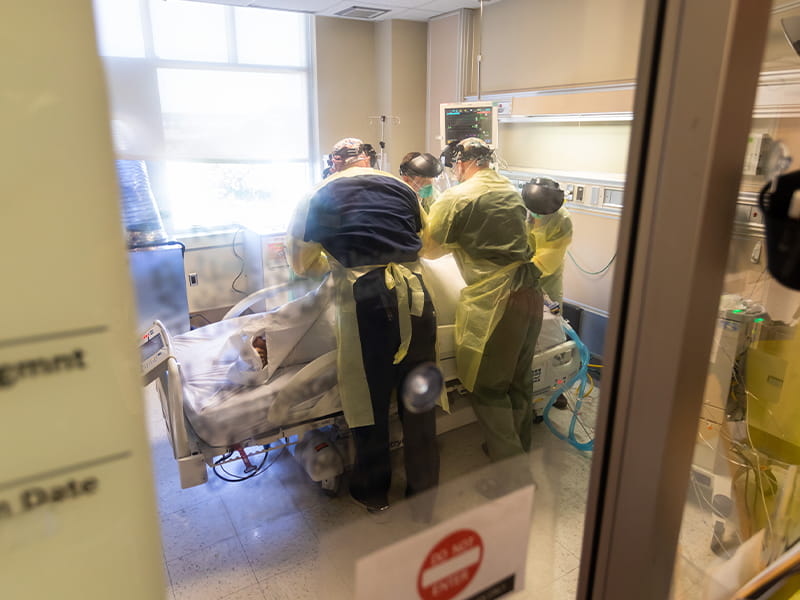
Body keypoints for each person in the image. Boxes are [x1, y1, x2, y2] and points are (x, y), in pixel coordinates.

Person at [287, 137, 442, 513]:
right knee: (420, 399)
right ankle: (423, 496)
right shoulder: (404, 190)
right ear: (371, 160)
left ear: (336, 163)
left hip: (366, 302)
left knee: (368, 402)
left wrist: (338, 265)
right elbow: (424, 243)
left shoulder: (317, 195)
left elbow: (300, 264)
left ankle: (374, 494)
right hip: (418, 299)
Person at [422, 137, 543, 461]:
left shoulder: (456, 197)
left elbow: (430, 249)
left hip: (498, 302)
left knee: (488, 387)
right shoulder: (510, 190)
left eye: (454, 166)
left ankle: (512, 473)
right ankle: (519, 448)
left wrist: (424, 207)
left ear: (460, 163)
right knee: (518, 380)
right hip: (531, 293)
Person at [521, 177, 573, 306]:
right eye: (532, 211)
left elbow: (545, 263)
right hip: (522, 276)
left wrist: (518, 276)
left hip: (547, 282)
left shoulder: (561, 221)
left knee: (549, 320)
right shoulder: (523, 208)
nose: (535, 216)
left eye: (541, 213)